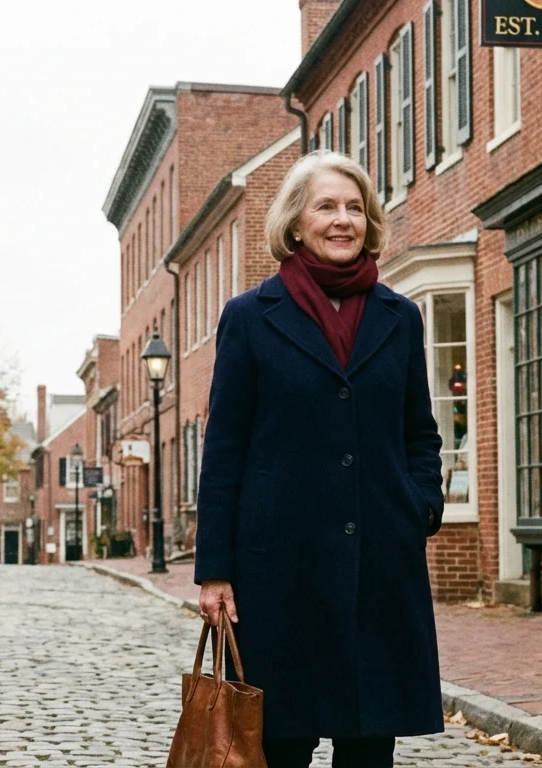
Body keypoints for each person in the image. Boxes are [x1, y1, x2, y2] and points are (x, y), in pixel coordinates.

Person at [194, 150, 445, 768]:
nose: (343, 220)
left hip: (378, 565)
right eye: (326, 206)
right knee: (280, 745)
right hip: (279, 571)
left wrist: (418, 507)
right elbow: (224, 449)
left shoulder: (400, 317)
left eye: (355, 207)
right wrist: (215, 571)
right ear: (296, 222)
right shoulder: (250, 318)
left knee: (368, 746)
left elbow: (420, 432)